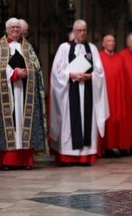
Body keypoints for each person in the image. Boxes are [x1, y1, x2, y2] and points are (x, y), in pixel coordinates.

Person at [50, 19, 109, 165]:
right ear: (74, 32)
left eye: (84, 30)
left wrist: (90, 76)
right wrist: (71, 75)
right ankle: (68, 157)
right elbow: (56, 72)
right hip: (70, 91)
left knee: (86, 123)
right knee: (70, 123)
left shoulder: (92, 48)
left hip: (87, 89)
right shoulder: (64, 48)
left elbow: (100, 71)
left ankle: (85, 157)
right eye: (79, 30)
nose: (82, 33)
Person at [0, 17, 47, 170]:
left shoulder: (28, 48)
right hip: (7, 94)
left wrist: (28, 72)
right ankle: (7, 161)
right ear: (7, 30)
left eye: (18, 28)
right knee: (9, 126)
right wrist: (13, 73)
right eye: (12, 27)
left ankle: (25, 161)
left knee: (23, 125)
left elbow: (37, 69)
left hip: (25, 94)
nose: (15, 30)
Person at [99, 34, 131, 156]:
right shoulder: (99, 57)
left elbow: (124, 77)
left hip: (117, 95)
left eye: (113, 41)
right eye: (108, 41)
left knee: (117, 119)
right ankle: (105, 147)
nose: (111, 43)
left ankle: (116, 146)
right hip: (105, 95)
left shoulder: (119, 58)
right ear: (103, 43)